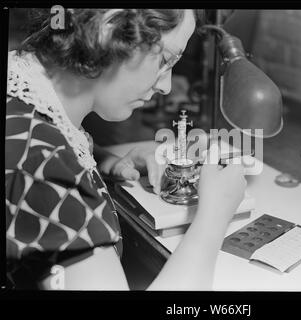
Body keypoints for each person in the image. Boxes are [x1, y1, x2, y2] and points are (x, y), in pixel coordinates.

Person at [6, 8, 247, 290]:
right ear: (108, 28)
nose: (166, 86)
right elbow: (39, 169)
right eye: (166, 60)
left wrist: (102, 160)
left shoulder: (22, 94)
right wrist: (214, 216)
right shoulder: (42, 164)